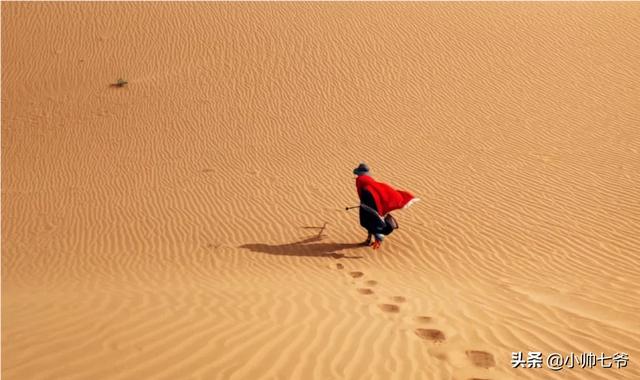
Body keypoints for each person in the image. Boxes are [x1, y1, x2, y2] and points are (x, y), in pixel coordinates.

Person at [353, 163, 417, 249]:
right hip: (373, 200)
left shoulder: (360, 179)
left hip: (368, 200)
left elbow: (362, 193)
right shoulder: (369, 179)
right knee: (372, 219)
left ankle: (377, 235)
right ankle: (371, 238)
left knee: (366, 221)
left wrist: (364, 203)